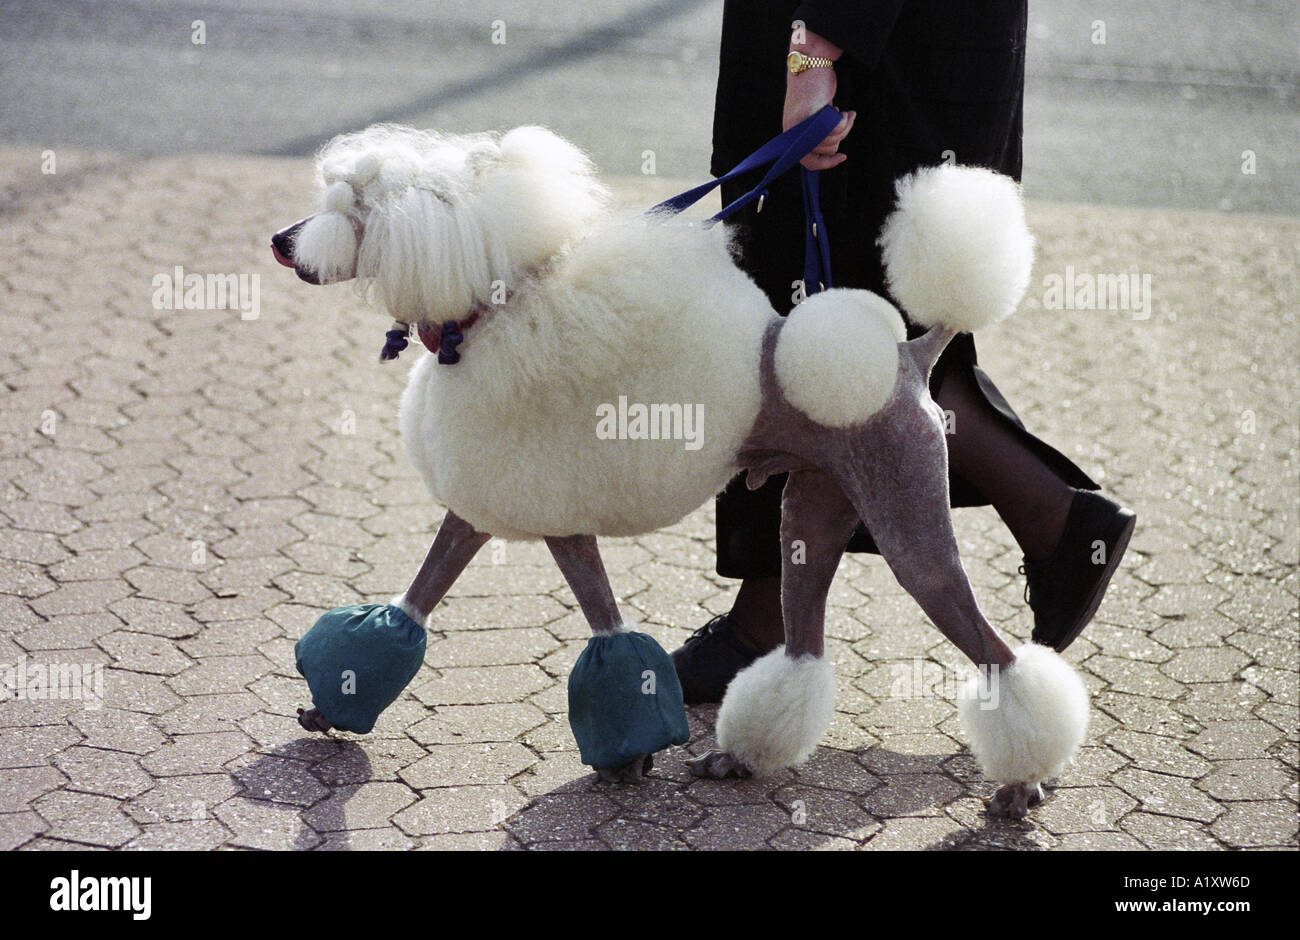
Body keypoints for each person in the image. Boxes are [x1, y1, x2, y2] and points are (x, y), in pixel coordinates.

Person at [671, 0, 1136, 704]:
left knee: (849, 347)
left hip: (874, 58)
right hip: (897, 45)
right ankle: (769, 624)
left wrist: (817, 48)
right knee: (840, 340)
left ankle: (1050, 526)